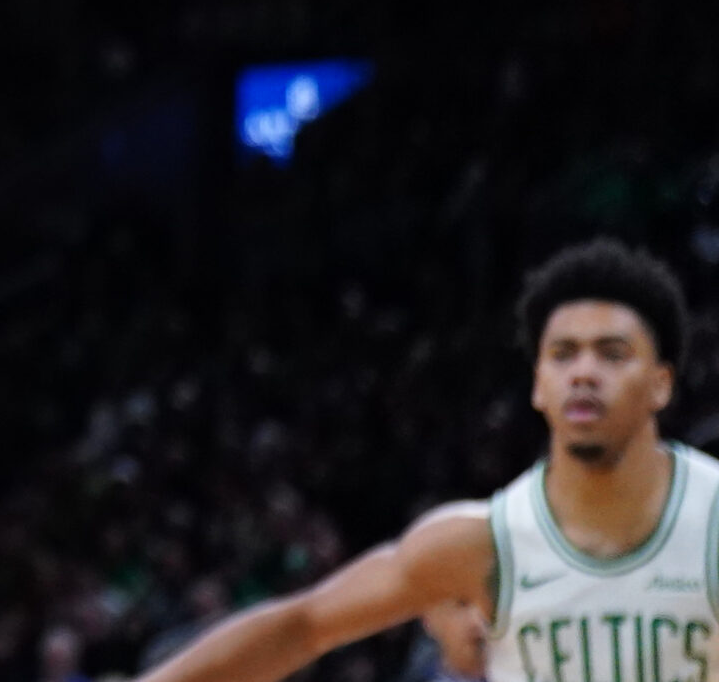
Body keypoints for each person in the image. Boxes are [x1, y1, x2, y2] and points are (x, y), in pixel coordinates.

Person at [131, 239, 716, 682]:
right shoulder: (480, 544)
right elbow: (302, 626)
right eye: (563, 355)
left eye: (613, 355)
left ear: (661, 384)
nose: (584, 372)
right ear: (539, 385)